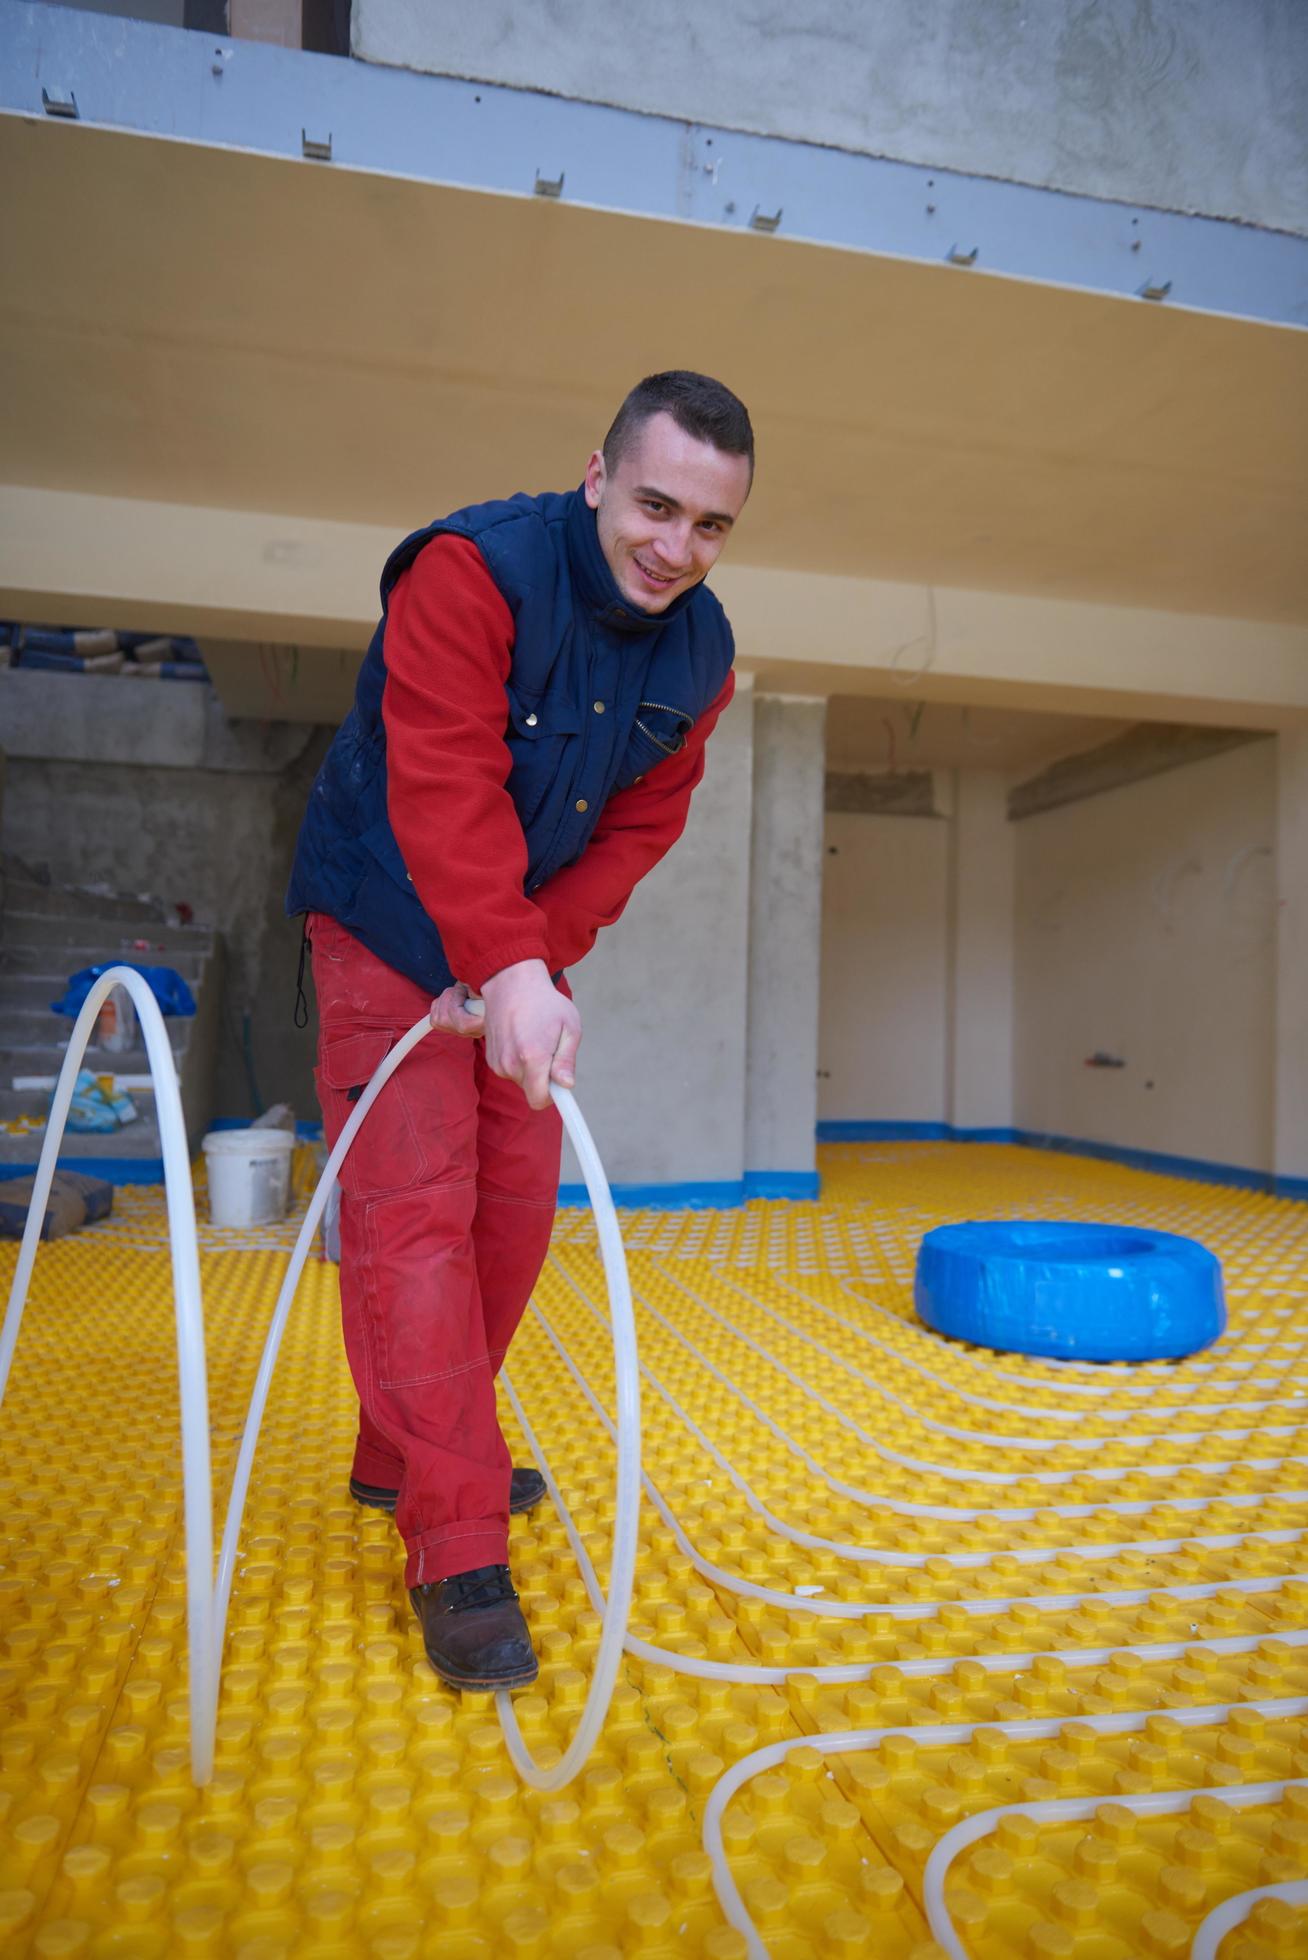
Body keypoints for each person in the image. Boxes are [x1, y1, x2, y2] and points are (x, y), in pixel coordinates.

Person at [287, 371, 753, 1690]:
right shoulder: (469, 572)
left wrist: (526, 967)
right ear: (597, 476)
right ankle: (456, 1541)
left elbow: (638, 830)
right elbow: (440, 775)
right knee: (414, 1225)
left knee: (510, 1217)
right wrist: (486, 959)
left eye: (711, 526)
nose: (676, 548)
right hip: (381, 921)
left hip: (510, 954)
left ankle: (403, 1456)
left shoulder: (702, 654)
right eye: (655, 505)